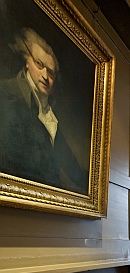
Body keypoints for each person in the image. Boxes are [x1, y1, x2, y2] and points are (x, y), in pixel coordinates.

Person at [0, 27, 88, 194]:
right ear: (27, 61)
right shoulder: (5, 92)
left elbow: (70, 165)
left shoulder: (49, 114)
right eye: (39, 65)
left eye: (51, 73)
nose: (45, 76)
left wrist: (95, 189)